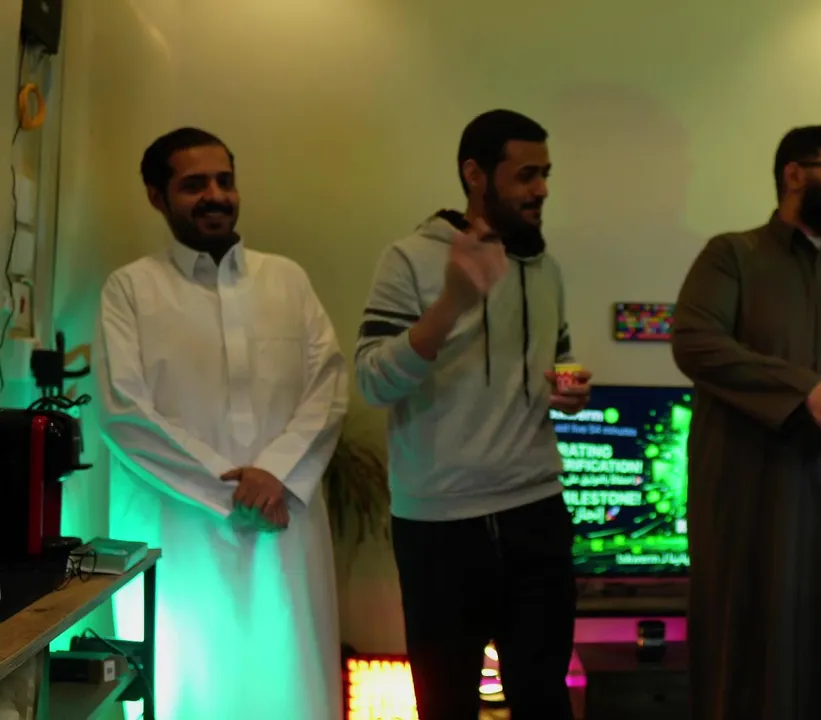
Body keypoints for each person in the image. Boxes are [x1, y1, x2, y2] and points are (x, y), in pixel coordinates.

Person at [95, 127, 347, 719]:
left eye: (224, 181)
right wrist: (232, 489)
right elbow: (124, 411)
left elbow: (329, 387)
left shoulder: (287, 279)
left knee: (289, 678)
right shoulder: (130, 289)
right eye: (194, 184)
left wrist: (274, 475)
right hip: (178, 526)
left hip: (285, 519)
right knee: (189, 685)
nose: (215, 195)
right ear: (157, 196)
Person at [354, 109, 588, 720]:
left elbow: (557, 357)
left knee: (545, 701)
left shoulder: (547, 269)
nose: (542, 189)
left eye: (546, 173)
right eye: (526, 175)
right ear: (475, 174)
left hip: (536, 512)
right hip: (440, 526)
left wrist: (569, 387)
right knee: (446, 705)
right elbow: (373, 381)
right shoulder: (408, 259)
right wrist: (453, 301)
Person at [671, 125, 821, 720]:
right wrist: (804, 390)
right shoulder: (733, 255)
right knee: (750, 652)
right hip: (755, 498)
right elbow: (695, 342)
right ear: (793, 174)